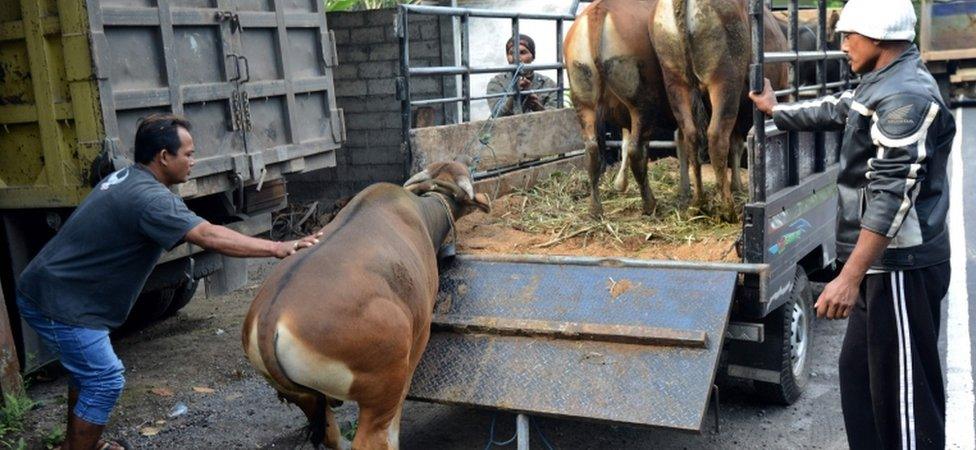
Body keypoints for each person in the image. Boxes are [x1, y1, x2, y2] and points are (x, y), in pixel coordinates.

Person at [15, 114, 322, 450]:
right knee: (104, 378)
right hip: (59, 302)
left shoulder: (131, 178)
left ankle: (81, 443)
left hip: (57, 291)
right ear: (163, 157)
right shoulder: (150, 200)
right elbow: (207, 235)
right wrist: (278, 247)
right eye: (188, 154)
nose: (193, 161)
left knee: (87, 373)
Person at [750, 1, 955, 448]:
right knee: (860, 378)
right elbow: (838, 108)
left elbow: (890, 197)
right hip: (880, 267)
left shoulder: (907, 97)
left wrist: (848, 276)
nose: (842, 45)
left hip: (899, 268)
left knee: (904, 397)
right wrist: (776, 110)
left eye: (849, 37)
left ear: (878, 37)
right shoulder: (882, 83)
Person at [486, 34, 559, 116]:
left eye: (522, 52)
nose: (516, 58)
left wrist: (537, 106)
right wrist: (514, 94)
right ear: (507, 57)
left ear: (532, 56)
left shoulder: (547, 84)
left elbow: (555, 118)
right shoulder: (497, 83)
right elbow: (497, 115)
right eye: (511, 53)